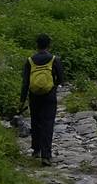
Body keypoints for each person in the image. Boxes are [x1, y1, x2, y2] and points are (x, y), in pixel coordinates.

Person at [20, 34, 64, 166]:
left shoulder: (30, 60)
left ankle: (36, 150)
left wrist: (22, 100)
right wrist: (53, 86)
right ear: (49, 45)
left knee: (36, 121)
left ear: (37, 45)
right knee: (47, 123)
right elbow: (61, 79)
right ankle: (46, 155)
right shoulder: (54, 59)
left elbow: (25, 82)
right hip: (49, 95)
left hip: (34, 95)